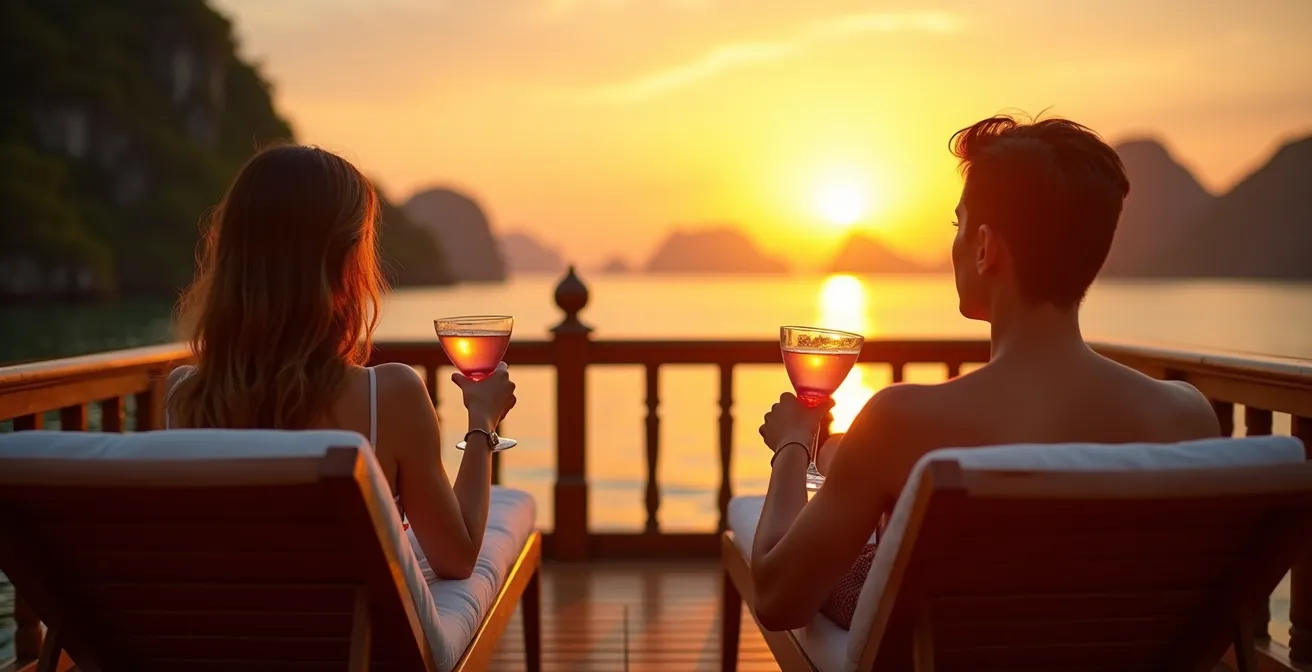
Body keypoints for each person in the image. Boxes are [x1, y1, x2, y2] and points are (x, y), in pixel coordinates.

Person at [750, 115, 1222, 631]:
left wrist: (793, 446)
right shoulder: (1184, 418)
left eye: (959, 225)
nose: (954, 245)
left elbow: (777, 597)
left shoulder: (901, 423)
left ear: (984, 247)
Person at [165, 144, 516, 581]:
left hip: (230, 642)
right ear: (347, 260)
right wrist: (482, 420)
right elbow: (457, 558)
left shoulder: (184, 397)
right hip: (353, 646)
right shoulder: (388, 396)